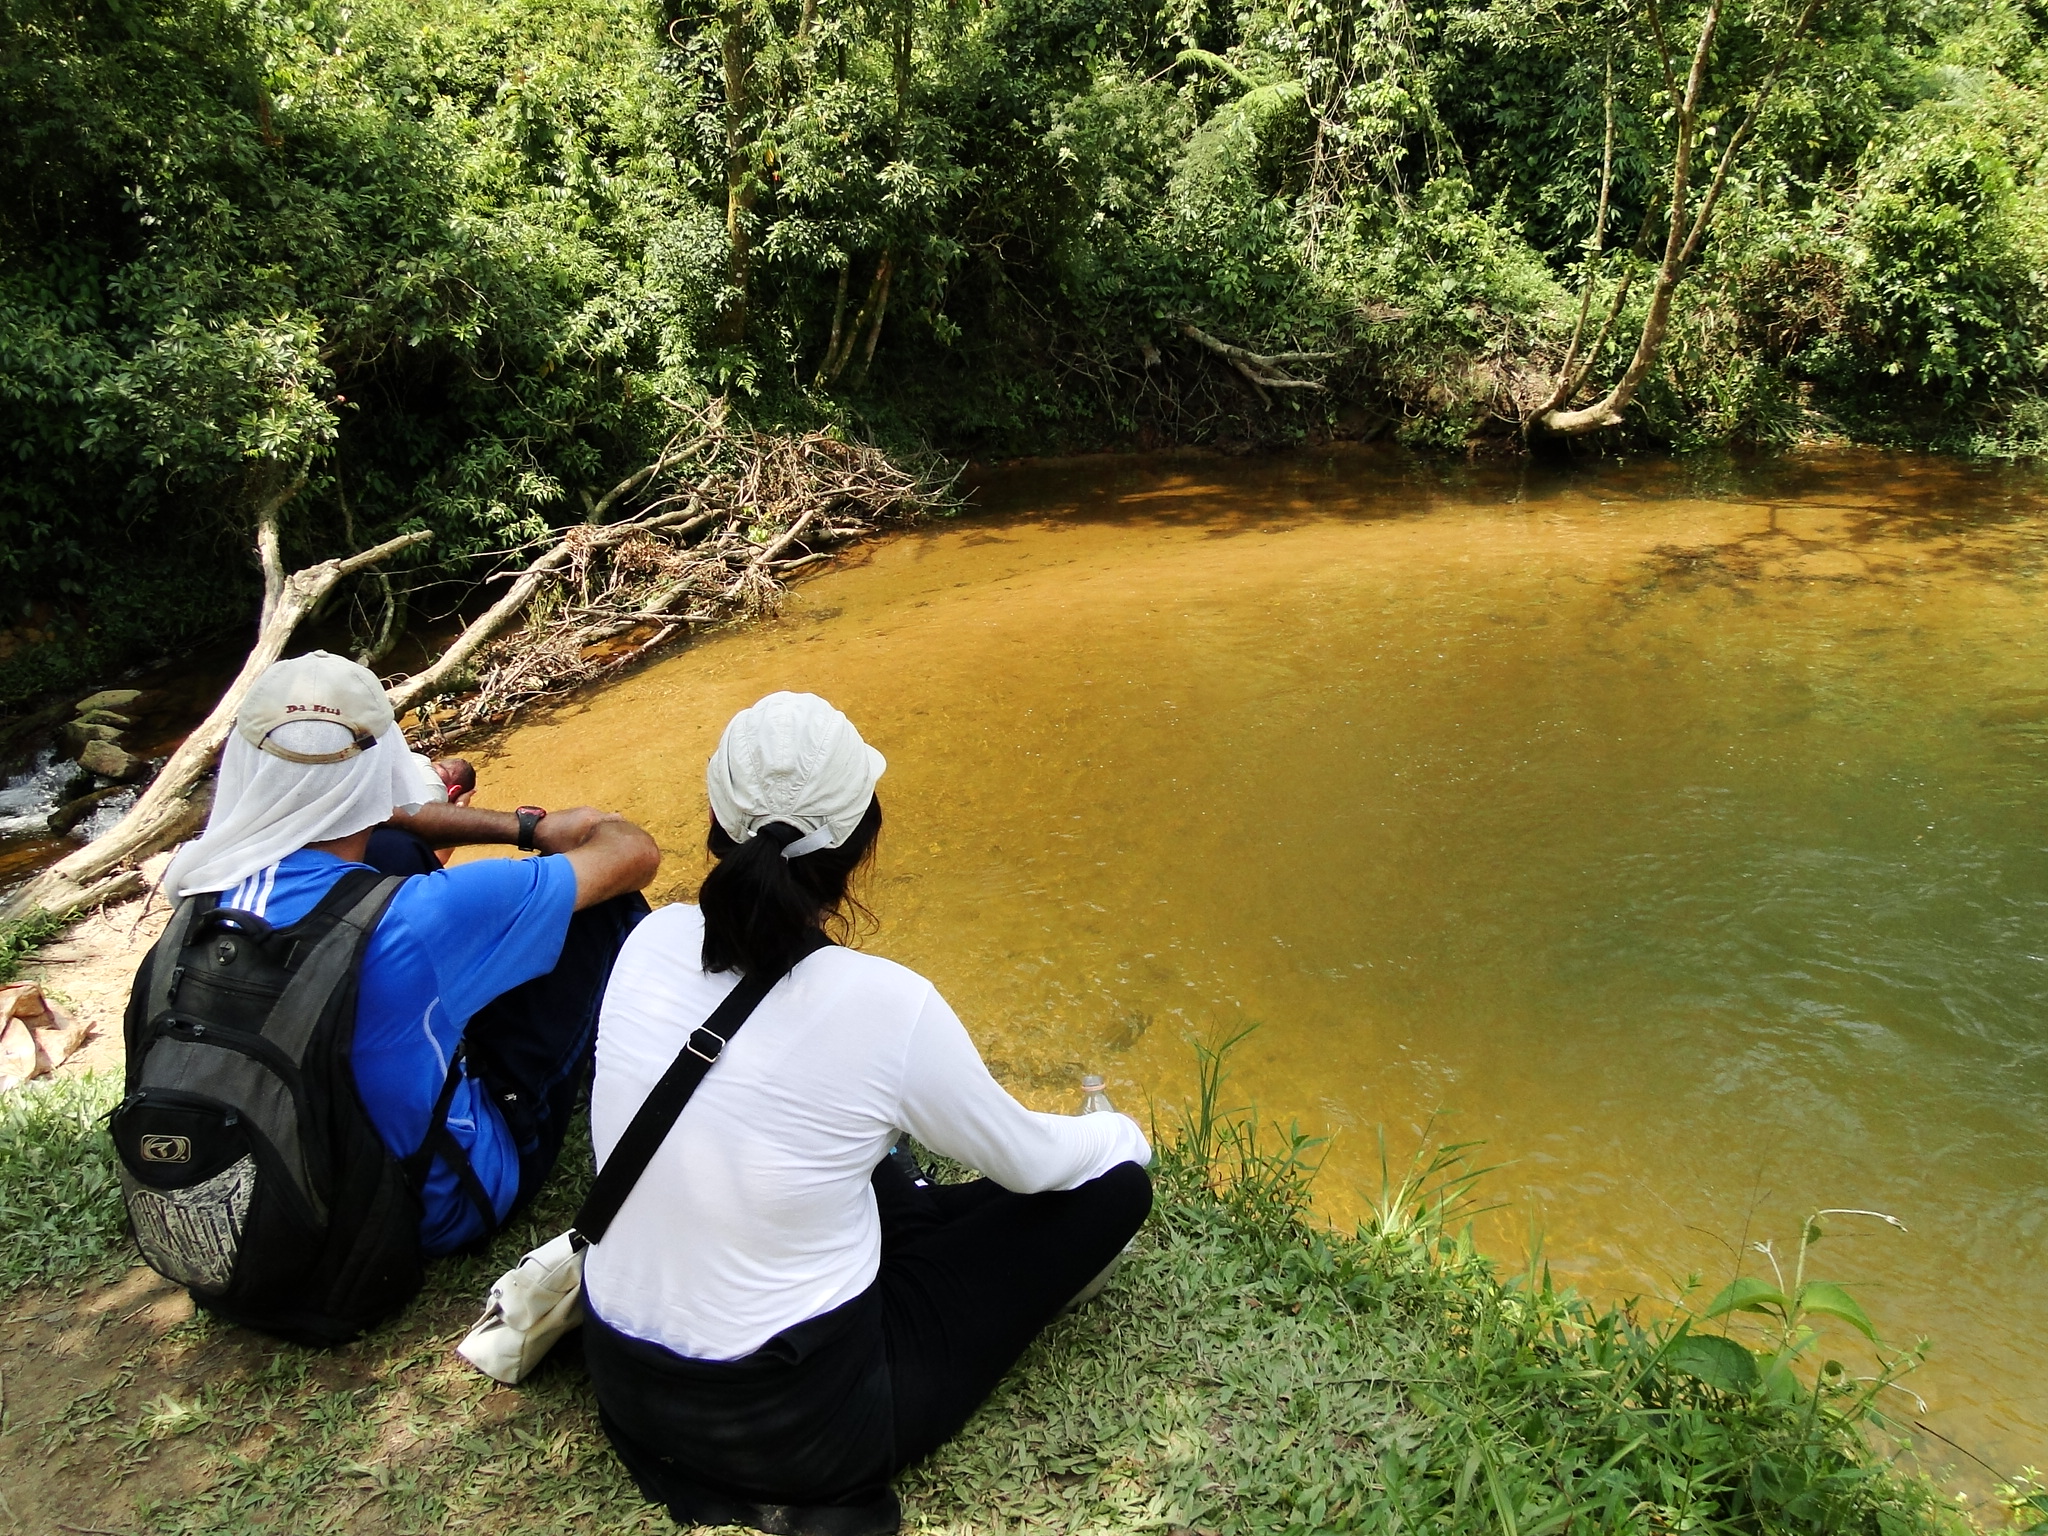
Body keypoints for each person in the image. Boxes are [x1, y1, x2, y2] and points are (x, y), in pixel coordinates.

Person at [582, 691, 1152, 1536]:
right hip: (801, 1427)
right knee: (1112, 1192)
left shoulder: (648, 940)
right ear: (863, 838)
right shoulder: (887, 1005)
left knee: (870, 1166)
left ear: (713, 817)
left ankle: (914, 1209)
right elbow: (1034, 1163)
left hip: (627, 1385)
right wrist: (1122, 1136)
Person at [161, 651, 662, 1257]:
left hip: (268, 1203)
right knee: (603, 907)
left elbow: (377, 819)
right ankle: (661, 1075)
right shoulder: (422, 914)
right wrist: (537, 829)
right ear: (380, 768)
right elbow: (633, 854)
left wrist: (517, 828)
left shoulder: (200, 887)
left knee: (393, 849)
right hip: (422, 1213)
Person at [365, 758, 477, 875]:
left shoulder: (414, 760)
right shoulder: (433, 797)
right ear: (453, 790)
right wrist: (458, 809)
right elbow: (437, 857)